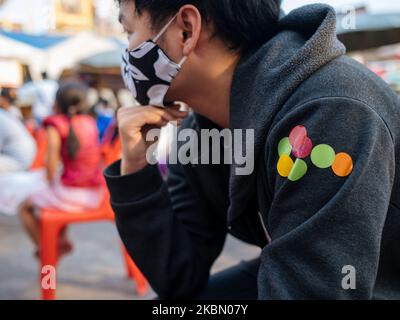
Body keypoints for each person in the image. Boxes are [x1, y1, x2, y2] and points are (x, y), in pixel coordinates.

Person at [104, 0, 400, 299]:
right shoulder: (203, 130)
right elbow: (179, 274)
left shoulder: (331, 115)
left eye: (129, 32)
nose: (127, 54)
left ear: (186, 30)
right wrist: (136, 169)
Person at [19, 82, 104, 258]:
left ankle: (46, 249)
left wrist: (48, 183)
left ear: (57, 103)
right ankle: (61, 239)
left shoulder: (56, 124)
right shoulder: (90, 122)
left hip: (72, 196)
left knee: (24, 207)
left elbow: (50, 166)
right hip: (96, 194)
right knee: (55, 190)